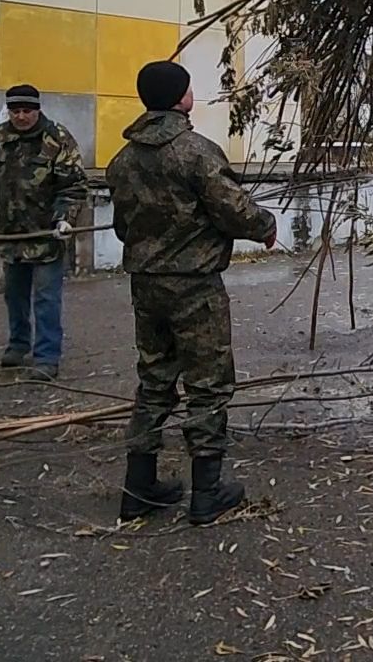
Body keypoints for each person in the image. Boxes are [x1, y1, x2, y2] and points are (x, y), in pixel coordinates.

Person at [108, 60, 277, 525]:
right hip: (194, 287)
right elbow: (232, 207)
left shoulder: (122, 160)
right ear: (181, 97)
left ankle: (138, 489)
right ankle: (208, 493)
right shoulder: (196, 151)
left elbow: (124, 226)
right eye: (189, 90)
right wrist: (265, 226)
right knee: (207, 385)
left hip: (146, 285)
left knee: (155, 380)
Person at [0, 84, 89, 381]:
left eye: (27, 111)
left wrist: (64, 219)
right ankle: (18, 344)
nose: (21, 117)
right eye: (15, 111)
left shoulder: (57, 138)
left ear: (37, 109)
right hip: (11, 235)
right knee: (15, 295)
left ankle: (47, 356)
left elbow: (73, 185)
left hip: (47, 235)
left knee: (47, 297)